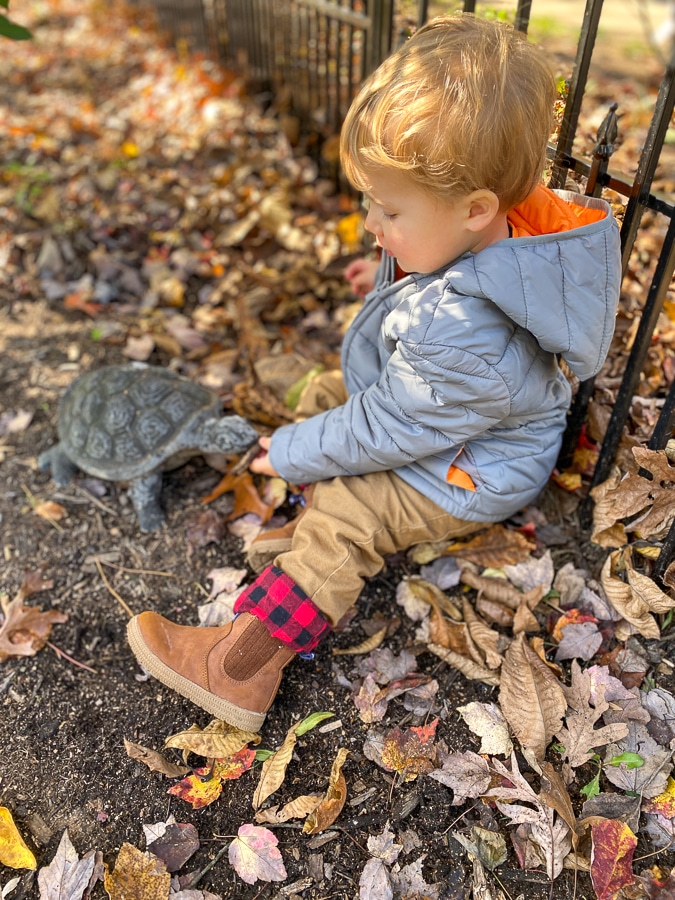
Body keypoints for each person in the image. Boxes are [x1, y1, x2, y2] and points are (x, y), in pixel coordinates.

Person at [127, 14, 621, 733]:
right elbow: (438, 293)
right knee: (334, 403)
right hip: (454, 427)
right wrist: (390, 274)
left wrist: (294, 452)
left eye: (388, 211)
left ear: (475, 207)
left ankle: (238, 667)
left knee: (351, 506)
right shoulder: (488, 238)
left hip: (468, 469)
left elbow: (395, 425)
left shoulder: (466, 332)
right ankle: (305, 535)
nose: (373, 223)